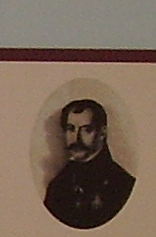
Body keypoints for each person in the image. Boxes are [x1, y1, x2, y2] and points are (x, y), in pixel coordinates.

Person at [43, 97, 135, 229]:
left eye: (86, 130)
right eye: (70, 129)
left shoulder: (123, 185)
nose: (76, 138)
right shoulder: (58, 186)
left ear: (102, 133)